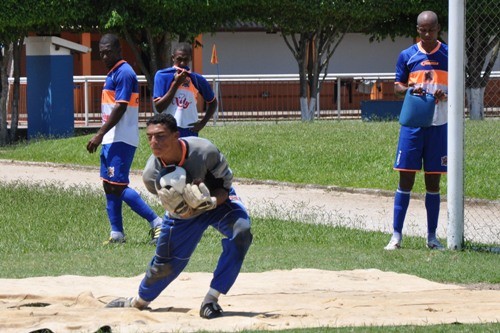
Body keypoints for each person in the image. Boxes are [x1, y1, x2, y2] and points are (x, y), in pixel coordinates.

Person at [106, 113, 253, 319]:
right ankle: (138, 301)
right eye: (149, 137)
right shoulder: (151, 175)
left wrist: (209, 202)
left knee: (242, 231)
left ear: (176, 135)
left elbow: (225, 189)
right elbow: (173, 207)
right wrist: (184, 211)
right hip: (183, 215)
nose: (153, 142)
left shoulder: (205, 151)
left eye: (160, 136)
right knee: (164, 265)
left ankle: (211, 299)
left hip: (217, 203)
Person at [86, 34, 162, 245]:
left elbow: (120, 107)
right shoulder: (113, 73)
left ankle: (157, 223)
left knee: (118, 185)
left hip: (121, 138)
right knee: (109, 185)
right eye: (101, 52)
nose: (104, 55)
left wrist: (99, 134)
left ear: (119, 50)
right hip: (112, 138)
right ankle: (117, 234)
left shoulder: (125, 72)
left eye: (108, 51)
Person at [384, 11, 448, 251]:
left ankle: (432, 237)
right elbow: (397, 87)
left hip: (439, 125)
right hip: (412, 125)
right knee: (406, 177)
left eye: (431, 29)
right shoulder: (407, 55)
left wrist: (444, 95)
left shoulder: (448, 54)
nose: (428, 34)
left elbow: (456, 89)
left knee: (433, 182)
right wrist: (412, 89)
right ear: (417, 30)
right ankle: (396, 235)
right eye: (423, 30)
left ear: (439, 29)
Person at [142, 42, 218, 194]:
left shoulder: (196, 79)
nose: (182, 63)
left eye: (186, 60)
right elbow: (159, 106)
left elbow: (213, 102)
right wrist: (176, 84)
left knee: (189, 175)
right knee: (165, 173)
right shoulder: (163, 76)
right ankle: (169, 204)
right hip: (168, 133)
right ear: (173, 58)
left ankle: (191, 207)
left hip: (189, 132)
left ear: (190, 59)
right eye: (179, 60)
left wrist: (202, 123)